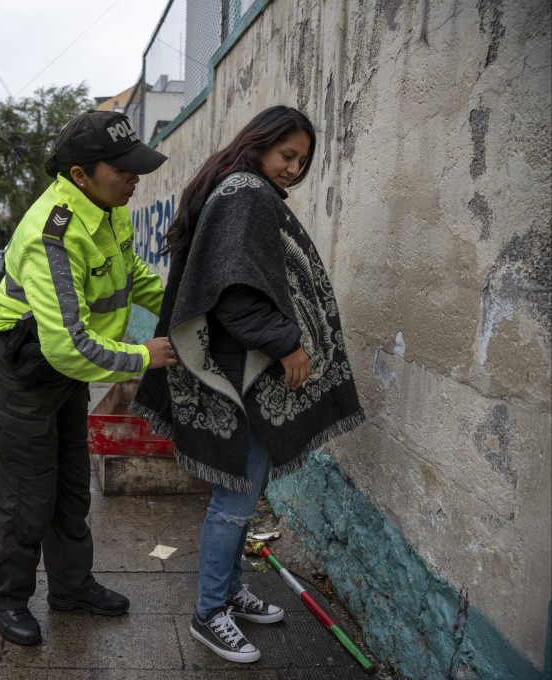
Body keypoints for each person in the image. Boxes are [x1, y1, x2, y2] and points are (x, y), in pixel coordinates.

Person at [132, 106, 366, 663]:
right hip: (243, 374)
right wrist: (286, 341)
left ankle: (230, 592)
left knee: (242, 491)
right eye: (287, 155)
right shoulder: (245, 193)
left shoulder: (235, 187)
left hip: (243, 367)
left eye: (303, 162)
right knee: (235, 499)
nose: (293, 168)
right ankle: (209, 612)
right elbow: (233, 292)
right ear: (259, 143)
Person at [0, 110, 178, 647]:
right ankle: (5, 600)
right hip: (23, 375)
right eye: (124, 169)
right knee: (25, 499)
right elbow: (69, 344)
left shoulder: (109, 208)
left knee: (70, 490)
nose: (136, 178)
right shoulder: (53, 233)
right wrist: (142, 356)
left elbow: (132, 277)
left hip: (64, 376)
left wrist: (182, 313)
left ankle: (70, 587)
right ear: (79, 175)